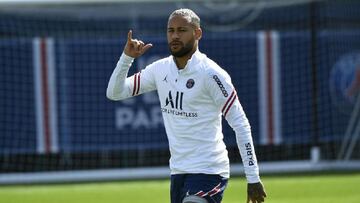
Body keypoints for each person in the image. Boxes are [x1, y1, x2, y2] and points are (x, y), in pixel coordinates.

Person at [107, 8, 267, 203]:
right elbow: (115, 93)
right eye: (170, 30)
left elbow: (240, 124)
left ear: (197, 33)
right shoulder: (160, 69)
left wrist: (253, 177)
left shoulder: (211, 74)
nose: (174, 36)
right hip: (178, 171)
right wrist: (127, 58)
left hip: (210, 171)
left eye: (182, 30)